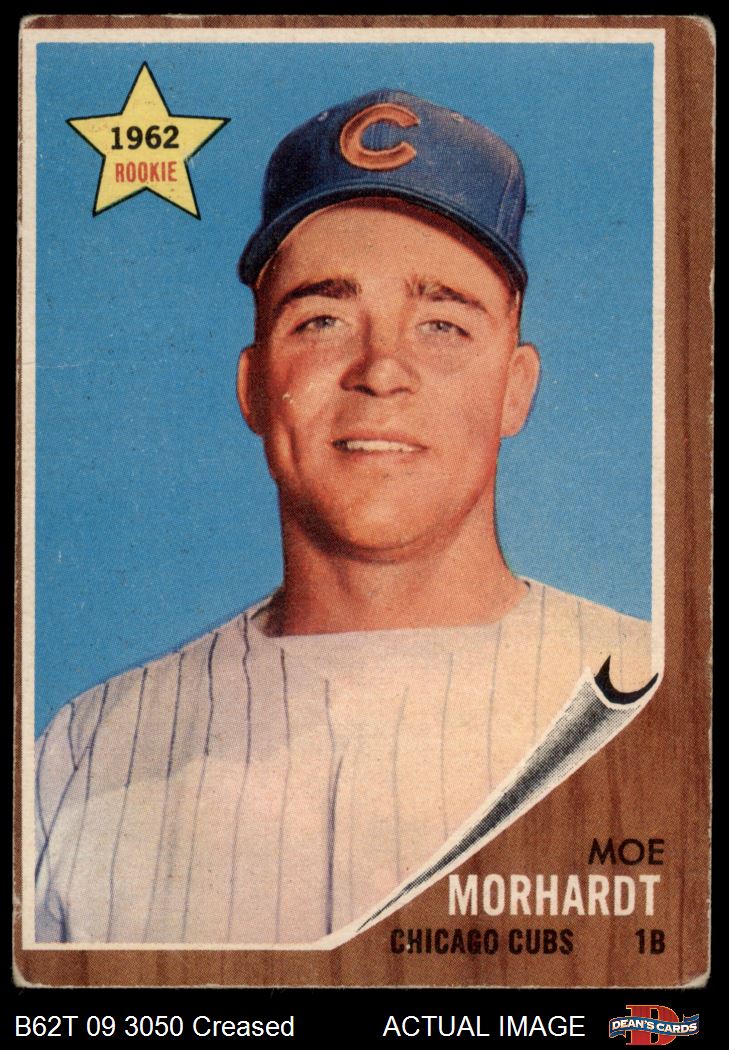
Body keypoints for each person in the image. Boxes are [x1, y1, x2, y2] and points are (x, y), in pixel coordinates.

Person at [35, 89, 653, 945]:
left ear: (515, 388)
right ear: (254, 385)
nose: (381, 370)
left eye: (441, 324)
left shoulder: (657, 701)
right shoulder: (87, 749)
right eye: (322, 319)